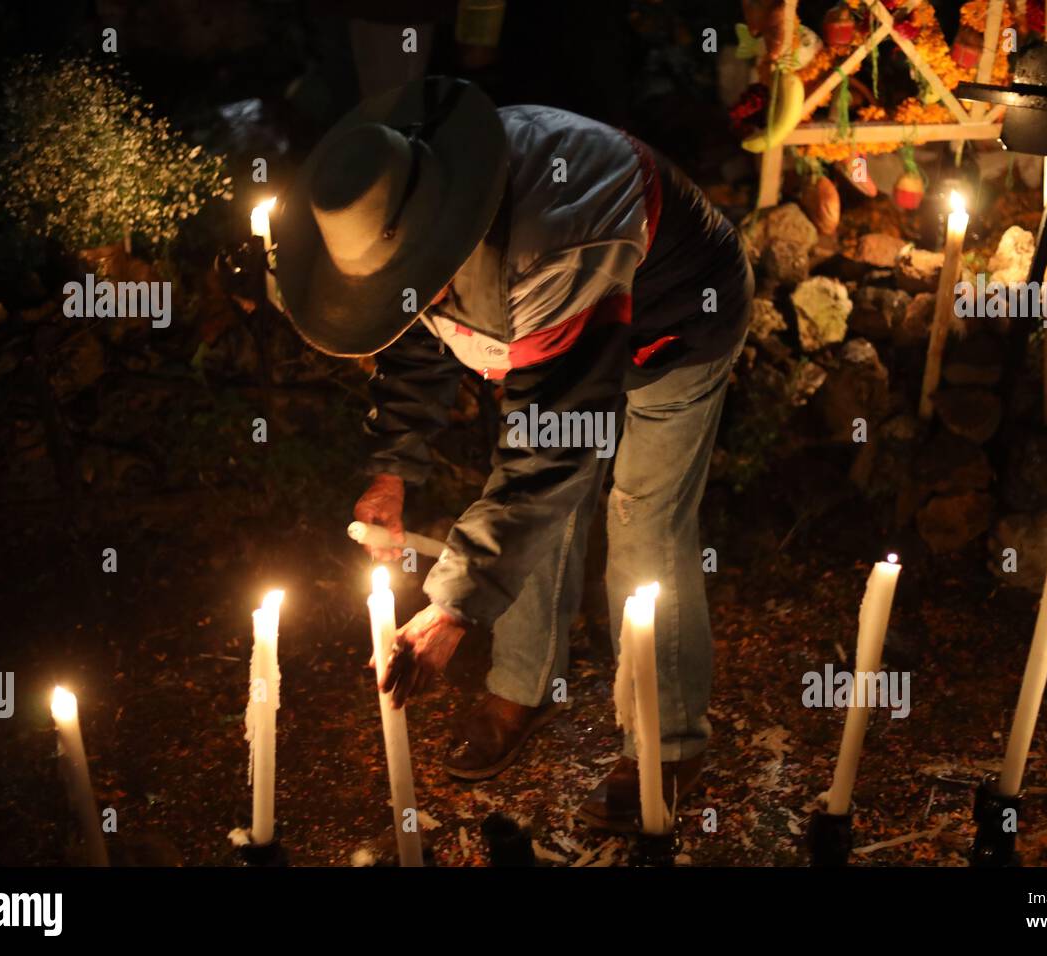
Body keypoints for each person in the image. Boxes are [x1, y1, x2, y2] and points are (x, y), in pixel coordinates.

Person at [275, 76, 752, 831]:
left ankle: (671, 738)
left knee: (642, 522)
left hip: (678, 319)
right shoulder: (412, 202)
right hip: (553, 329)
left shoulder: (554, 236)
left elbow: (556, 448)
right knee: (537, 517)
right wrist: (392, 466)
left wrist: (453, 607)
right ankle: (523, 687)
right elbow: (409, 323)